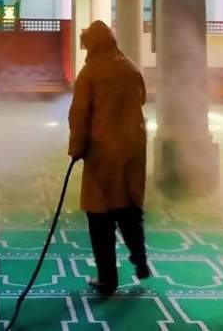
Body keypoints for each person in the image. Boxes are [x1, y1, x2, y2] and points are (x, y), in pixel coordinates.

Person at [68, 20, 151, 295]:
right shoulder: (130, 68)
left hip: (103, 151)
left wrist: (76, 149)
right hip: (134, 148)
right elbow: (142, 99)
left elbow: (80, 115)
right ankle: (140, 260)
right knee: (129, 208)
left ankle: (107, 278)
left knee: (100, 215)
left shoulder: (90, 73)